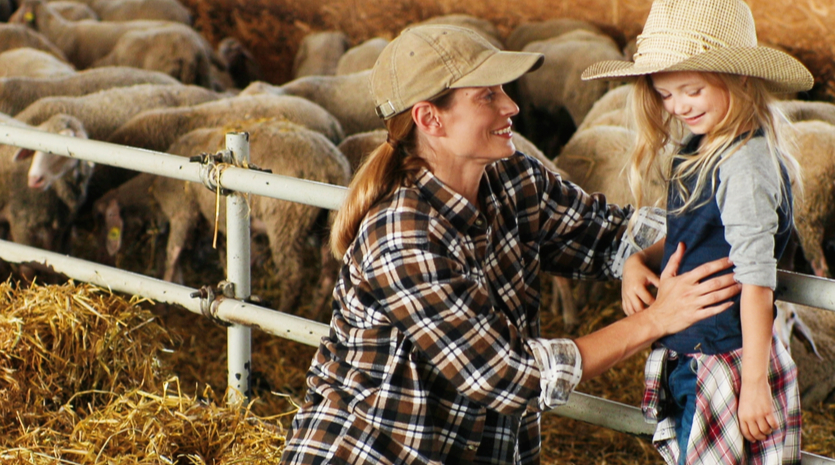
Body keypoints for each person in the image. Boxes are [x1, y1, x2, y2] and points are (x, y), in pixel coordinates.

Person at [280, 24, 742, 465]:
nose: (512, 106)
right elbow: (508, 376)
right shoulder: (403, 238)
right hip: (376, 451)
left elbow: (605, 230)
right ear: (429, 118)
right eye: (488, 95)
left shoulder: (510, 177)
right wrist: (657, 319)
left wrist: (650, 251)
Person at [581, 0, 817, 463]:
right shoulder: (702, 145)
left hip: (725, 364)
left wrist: (753, 384)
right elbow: (691, 235)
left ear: (740, 78)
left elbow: (756, 283)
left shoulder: (745, 164)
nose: (678, 106)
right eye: (665, 94)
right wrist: (637, 262)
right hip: (691, 356)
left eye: (691, 90)